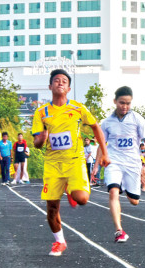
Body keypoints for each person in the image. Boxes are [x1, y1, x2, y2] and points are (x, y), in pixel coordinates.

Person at [32, 69, 109, 256]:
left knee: (82, 199)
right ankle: (59, 241)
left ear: (69, 88)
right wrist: (42, 137)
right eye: (56, 80)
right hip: (52, 163)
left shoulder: (78, 108)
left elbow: (96, 127)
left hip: (74, 161)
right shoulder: (41, 112)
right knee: (51, 208)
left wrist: (104, 153)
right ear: (50, 86)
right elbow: (36, 143)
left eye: (64, 81)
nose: (60, 83)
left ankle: (70, 189)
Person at [93, 86, 145, 243]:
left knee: (134, 201)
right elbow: (101, 144)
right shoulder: (107, 122)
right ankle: (119, 230)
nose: (125, 106)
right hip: (114, 161)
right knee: (112, 191)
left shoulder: (137, 119)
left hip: (132, 163)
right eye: (122, 103)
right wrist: (96, 166)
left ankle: (124, 187)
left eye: (128, 103)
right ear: (115, 101)